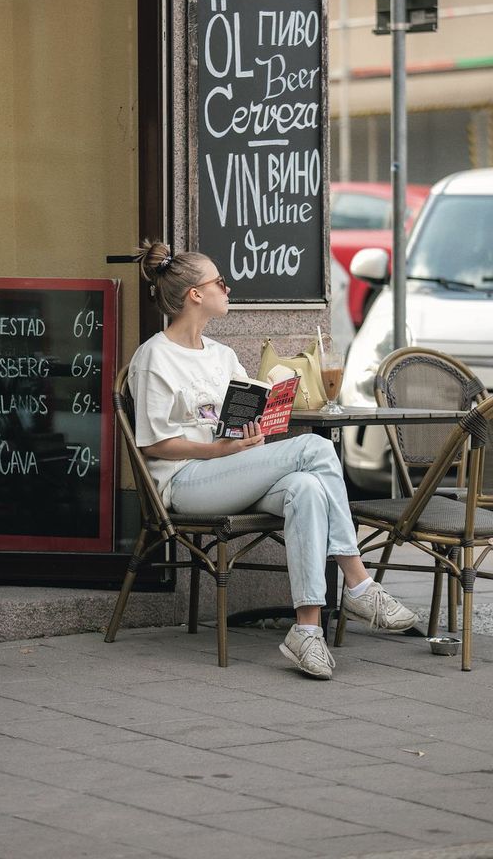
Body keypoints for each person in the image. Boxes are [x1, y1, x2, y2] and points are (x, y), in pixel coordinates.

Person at [128, 240, 417, 680]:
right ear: (195, 295)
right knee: (315, 447)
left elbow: (250, 408)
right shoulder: (154, 357)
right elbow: (152, 444)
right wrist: (219, 449)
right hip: (186, 482)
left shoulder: (222, 355)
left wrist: (264, 413)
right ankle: (358, 582)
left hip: (231, 471)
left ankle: (307, 630)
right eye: (220, 281)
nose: (229, 287)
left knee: (305, 488)